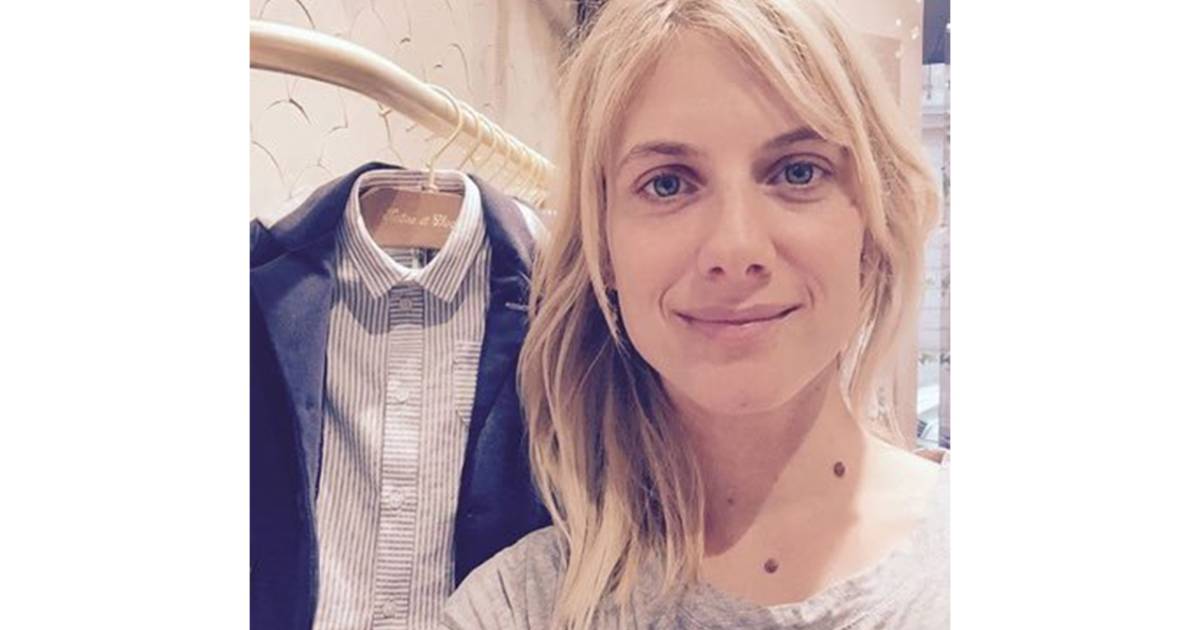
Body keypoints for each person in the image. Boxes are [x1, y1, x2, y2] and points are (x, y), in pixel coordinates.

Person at [442, 0, 946, 628]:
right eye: (668, 183)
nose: (735, 250)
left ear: (872, 223)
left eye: (797, 172)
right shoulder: (513, 608)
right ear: (603, 248)